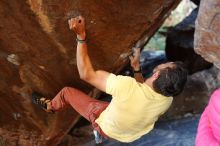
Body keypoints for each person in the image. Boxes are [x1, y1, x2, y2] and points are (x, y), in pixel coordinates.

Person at [32, 16, 188, 143]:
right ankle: (103, 127)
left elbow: (86, 74)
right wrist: (136, 68)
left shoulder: (126, 86)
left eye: (165, 64)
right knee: (122, 104)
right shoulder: (167, 98)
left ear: (156, 75)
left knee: (67, 93)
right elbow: (143, 90)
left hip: (108, 125)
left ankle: (51, 106)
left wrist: (81, 36)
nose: (163, 63)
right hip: (129, 133)